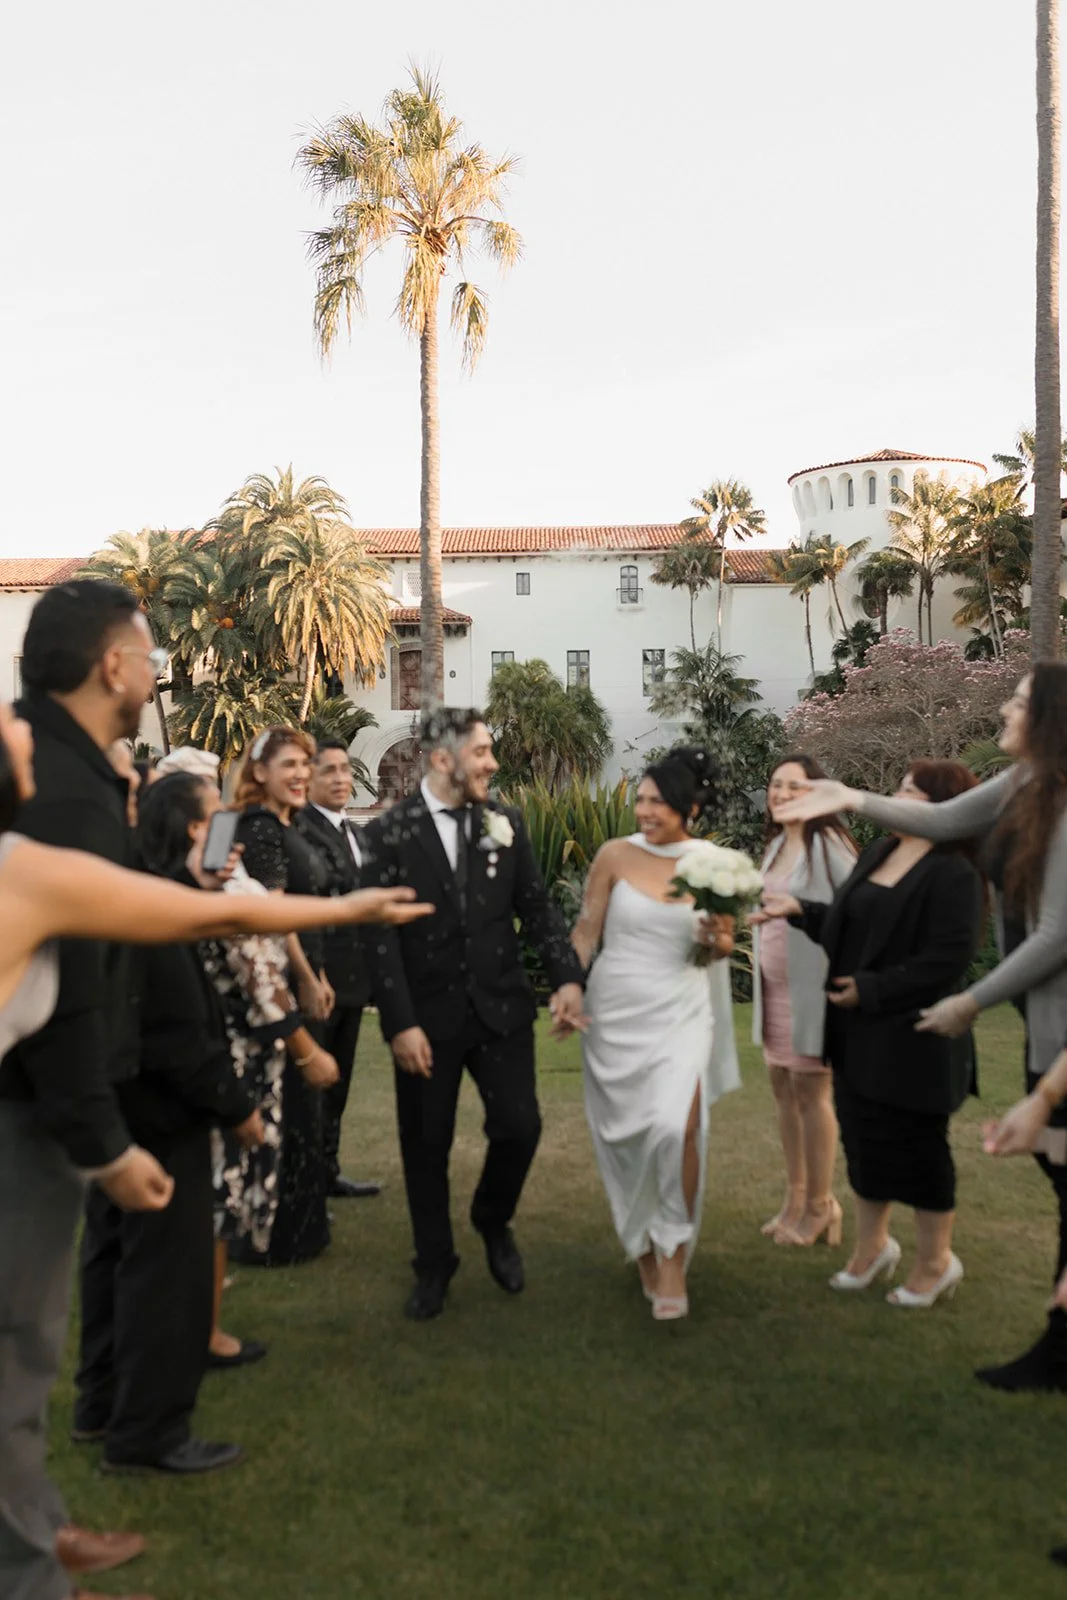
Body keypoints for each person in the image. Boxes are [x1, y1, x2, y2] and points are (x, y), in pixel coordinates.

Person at [0, 595, 430, 1600]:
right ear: (112, 664)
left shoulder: (41, 845)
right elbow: (120, 969)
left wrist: (345, 905)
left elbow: (204, 909)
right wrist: (103, 1139)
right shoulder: (46, 835)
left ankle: (32, 1550)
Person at [776, 665, 1067, 1372]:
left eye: (1019, 702)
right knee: (1061, 1178)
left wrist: (970, 1000)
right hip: (1045, 1024)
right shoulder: (1026, 784)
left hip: (1060, 1026)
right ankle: (1059, 1349)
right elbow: (940, 819)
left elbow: (1058, 934)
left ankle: (1054, 1347)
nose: (1004, 707)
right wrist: (848, 794)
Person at [362, 707, 587, 1321]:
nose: (492, 763)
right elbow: (378, 941)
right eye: (482, 752)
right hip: (425, 1022)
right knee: (425, 1147)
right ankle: (433, 1264)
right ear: (443, 760)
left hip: (502, 1010)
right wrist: (399, 1022)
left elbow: (537, 909)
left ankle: (492, 1218)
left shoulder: (504, 822)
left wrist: (567, 978)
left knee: (522, 1128)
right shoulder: (389, 833)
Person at [72, 774, 264, 1477]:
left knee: (110, 1257)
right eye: (214, 818)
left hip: (120, 1109)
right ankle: (146, 1433)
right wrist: (236, 1107)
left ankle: (98, 1407)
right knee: (163, 1275)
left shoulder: (127, 888)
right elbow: (181, 1031)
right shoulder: (151, 905)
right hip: (161, 1115)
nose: (224, 832)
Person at [758, 760, 985, 1305]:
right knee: (864, 1140)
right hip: (858, 1030)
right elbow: (845, 922)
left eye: (910, 791)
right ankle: (871, 1249)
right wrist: (800, 911)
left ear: (946, 810)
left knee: (918, 1147)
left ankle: (935, 1262)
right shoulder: (882, 852)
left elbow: (949, 959)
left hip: (917, 1035)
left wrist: (873, 989)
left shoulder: (954, 871)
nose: (895, 797)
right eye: (899, 787)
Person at [570, 748, 741, 1320]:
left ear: (688, 807)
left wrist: (717, 938)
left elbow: (722, 946)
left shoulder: (713, 863)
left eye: (657, 803)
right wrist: (569, 987)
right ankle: (641, 1241)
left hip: (682, 1009)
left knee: (676, 1127)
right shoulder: (614, 855)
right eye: (641, 800)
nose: (644, 811)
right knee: (627, 1139)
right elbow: (586, 932)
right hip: (615, 1013)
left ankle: (673, 1249)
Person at [230, 727, 340, 1267]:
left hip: (306, 970)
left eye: (306, 764)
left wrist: (318, 971)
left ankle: (301, 1221)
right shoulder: (259, 828)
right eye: (289, 765)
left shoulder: (285, 824)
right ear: (259, 772)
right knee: (290, 1101)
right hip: (281, 978)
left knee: (305, 1106)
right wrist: (303, 974)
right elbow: (274, 915)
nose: (301, 774)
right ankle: (277, 1234)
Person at [752, 754, 856, 1246]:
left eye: (793, 786)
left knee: (812, 1094)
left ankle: (821, 1206)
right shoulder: (775, 848)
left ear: (817, 792)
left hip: (813, 989)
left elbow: (859, 908)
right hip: (773, 989)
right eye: (775, 785)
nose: (781, 794)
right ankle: (795, 1198)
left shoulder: (828, 844)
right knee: (782, 1090)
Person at [301, 739, 379, 1199]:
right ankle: (306, 1178)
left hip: (355, 981)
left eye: (344, 769)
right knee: (313, 1083)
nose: (339, 779)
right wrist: (315, 972)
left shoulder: (358, 833)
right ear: (308, 778)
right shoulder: (301, 831)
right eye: (327, 770)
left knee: (340, 1082)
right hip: (319, 981)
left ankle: (327, 1170)